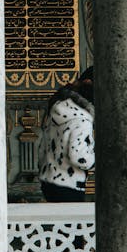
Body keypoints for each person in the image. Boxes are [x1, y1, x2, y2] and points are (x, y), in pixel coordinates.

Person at [37, 67, 95, 203]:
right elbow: (80, 157)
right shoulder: (81, 119)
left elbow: (41, 148)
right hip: (70, 184)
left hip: (48, 181)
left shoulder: (57, 110)